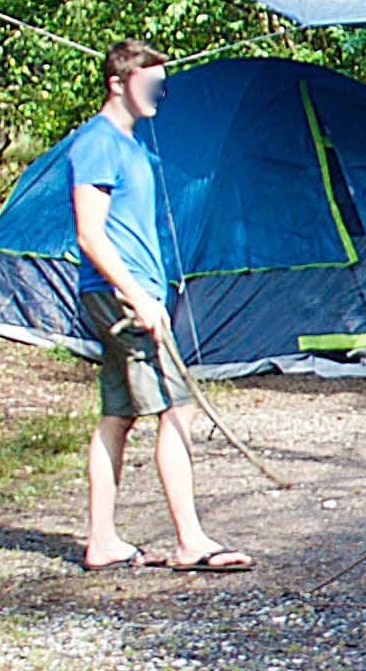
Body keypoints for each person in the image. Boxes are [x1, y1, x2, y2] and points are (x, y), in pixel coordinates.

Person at [63, 39, 247, 574]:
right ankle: (190, 540)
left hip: (130, 293)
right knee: (175, 408)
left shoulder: (131, 146)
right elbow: (90, 235)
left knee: (118, 414)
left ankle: (102, 540)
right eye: (149, 84)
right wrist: (138, 295)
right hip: (119, 296)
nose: (157, 95)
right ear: (118, 83)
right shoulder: (97, 143)